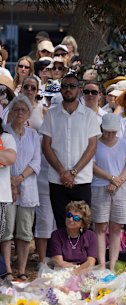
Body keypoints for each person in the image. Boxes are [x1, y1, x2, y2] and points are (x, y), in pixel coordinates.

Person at [40, 74, 101, 228]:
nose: (68, 89)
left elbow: (92, 147)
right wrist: (62, 172)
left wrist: (73, 172)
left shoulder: (90, 116)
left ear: (79, 90)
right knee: (62, 224)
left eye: (72, 86)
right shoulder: (51, 115)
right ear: (60, 90)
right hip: (57, 180)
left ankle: (81, 253)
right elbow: (46, 146)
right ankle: (63, 253)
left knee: (83, 225)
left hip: (82, 180)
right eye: (65, 86)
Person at [0, 96, 40, 281]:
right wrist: (12, 182)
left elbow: (36, 161)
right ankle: (8, 269)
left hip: (28, 187)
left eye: (24, 110)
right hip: (5, 188)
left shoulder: (33, 135)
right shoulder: (4, 132)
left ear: (28, 114)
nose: (20, 113)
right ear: (11, 112)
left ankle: (22, 270)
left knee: (24, 232)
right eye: (16, 109)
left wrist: (20, 178)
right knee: (6, 231)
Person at [92, 114, 126, 270]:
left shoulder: (123, 144)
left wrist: (117, 182)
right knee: (100, 226)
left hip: (120, 188)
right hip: (100, 186)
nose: (110, 134)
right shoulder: (95, 143)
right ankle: (102, 263)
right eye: (107, 131)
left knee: (116, 227)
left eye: (113, 132)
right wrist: (111, 178)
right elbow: (93, 166)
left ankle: (114, 263)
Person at [46, 201, 97, 273]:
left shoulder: (91, 236)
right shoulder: (56, 235)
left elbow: (90, 262)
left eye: (76, 218)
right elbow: (58, 262)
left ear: (83, 223)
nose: (70, 219)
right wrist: (73, 270)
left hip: (84, 272)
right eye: (69, 215)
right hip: (62, 272)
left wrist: (77, 272)